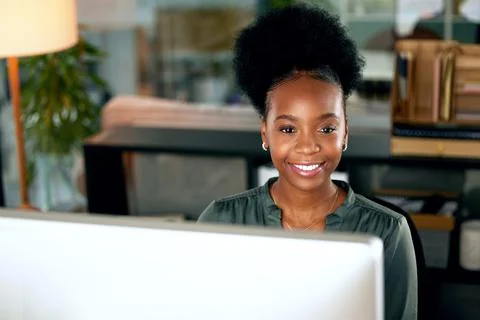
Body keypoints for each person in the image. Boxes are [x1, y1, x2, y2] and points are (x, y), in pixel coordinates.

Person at [197, 4, 417, 320]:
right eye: (288, 128)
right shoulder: (221, 220)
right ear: (265, 132)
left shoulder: (388, 232)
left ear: (345, 133)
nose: (308, 146)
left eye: (326, 128)